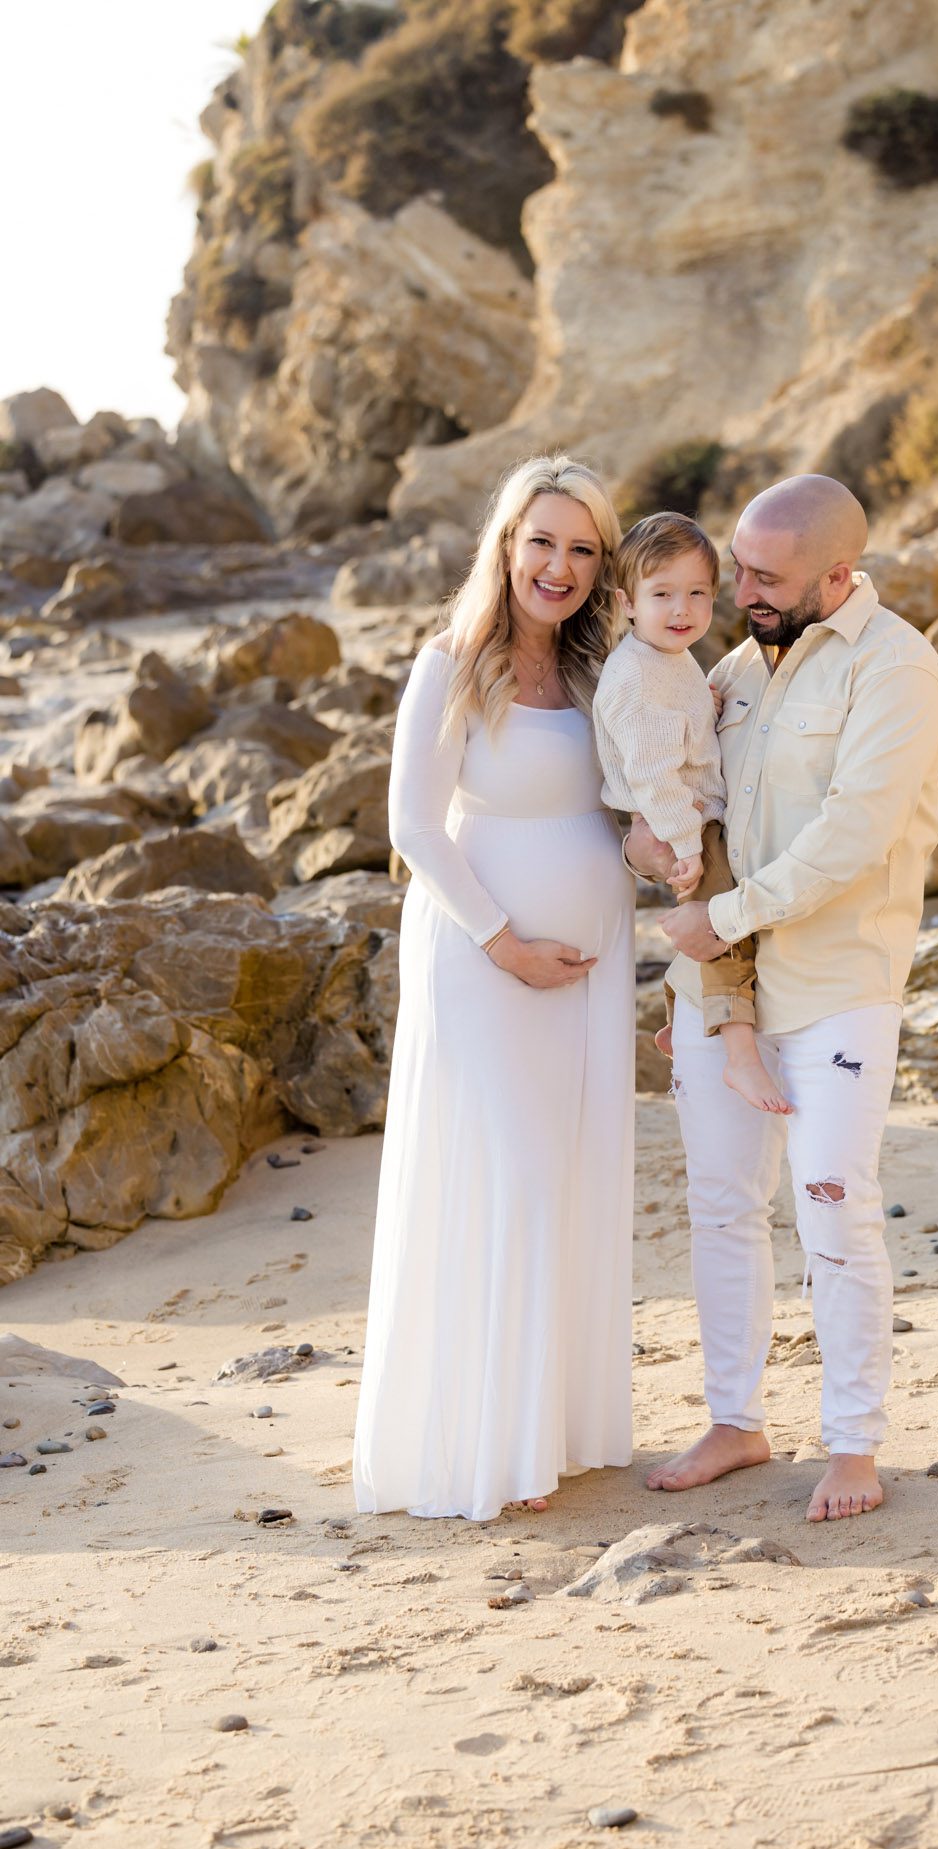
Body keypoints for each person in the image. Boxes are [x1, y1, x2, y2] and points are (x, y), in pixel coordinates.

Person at [625, 474, 938, 1523]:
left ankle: (854, 1442)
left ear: (837, 574)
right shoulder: (725, 669)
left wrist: (718, 922)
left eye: (766, 577)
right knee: (723, 1205)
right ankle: (737, 1417)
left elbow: (851, 844)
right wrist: (644, 840)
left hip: (838, 986)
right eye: (739, 567)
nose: (739, 590)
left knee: (831, 1205)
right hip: (721, 996)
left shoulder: (898, 670)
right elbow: (682, 802)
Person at [352, 453, 635, 1523]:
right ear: (505, 545)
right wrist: (506, 942)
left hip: (591, 969)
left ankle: (551, 1430)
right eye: (541, 542)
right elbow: (414, 826)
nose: (558, 566)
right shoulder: (451, 661)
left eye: (581, 548)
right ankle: (485, 1449)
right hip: (482, 958)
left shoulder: (604, 668)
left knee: (571, 1178)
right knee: (510, 1177)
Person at [592, 509, 789, 1116]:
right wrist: (685, 845)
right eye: (663, 595)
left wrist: (702, 705)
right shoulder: (635, 676)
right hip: (682, 823)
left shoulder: (669, 659)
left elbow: (676, 727)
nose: (683, 610)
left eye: (697, 593)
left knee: (711, 923)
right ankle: (739, 1056)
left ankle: (681, 1022)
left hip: (693, 816)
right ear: (627, 602)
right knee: (721, 929)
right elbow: (652, 771)